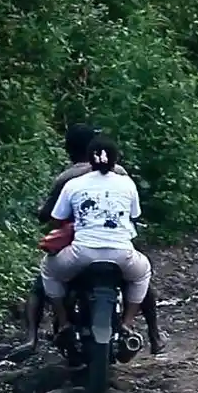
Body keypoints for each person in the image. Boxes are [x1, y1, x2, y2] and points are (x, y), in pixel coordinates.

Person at [19, 124, 164, 355]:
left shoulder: (68, 179)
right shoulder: (123, 176)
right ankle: (152, 335)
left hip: (80, 250)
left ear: (70, 150)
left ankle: (34, 337)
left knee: (43, 279)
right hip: (119, 248)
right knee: (142, 279)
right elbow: (134, 215)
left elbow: (52, 215)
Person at [41, 134, 153, 341]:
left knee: (48, 270)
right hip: (122, 254)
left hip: (81, 254)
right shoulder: (127, 184)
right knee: (142, 273)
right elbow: (135, 215)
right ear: (115, 159)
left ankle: (64, 322)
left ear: (88, 159)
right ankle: (127, 324)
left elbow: (57, 218)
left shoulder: (72, 184)